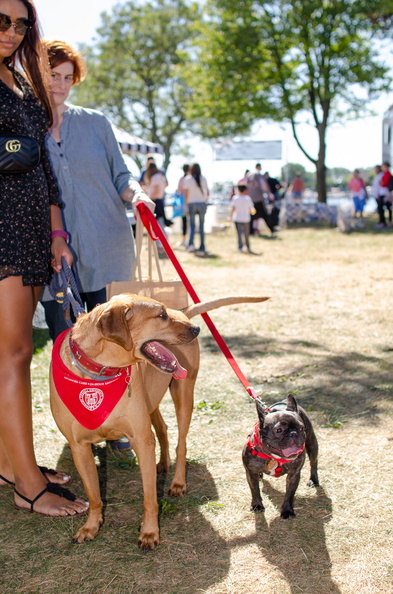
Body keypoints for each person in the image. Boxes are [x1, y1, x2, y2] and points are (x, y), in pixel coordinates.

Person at [0, 0, 89, 516]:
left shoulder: (25, 85)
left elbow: (47, 172)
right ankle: (28, 483)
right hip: (2, 232)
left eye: (21, 23)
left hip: (33, 231)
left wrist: (58, 233)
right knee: (12, 354)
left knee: (11, 355)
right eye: (1, 20)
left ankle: (10, 462)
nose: (12, 31)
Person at [41, 40, 154, 340]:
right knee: (68, 344)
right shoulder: (27, 127)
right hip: (56, 258)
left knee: (116, 342)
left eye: (67, 77)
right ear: (38, 72)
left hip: (109, 248)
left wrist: (138, 195)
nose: (61, 84)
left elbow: (121, 174)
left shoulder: (96, 122)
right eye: (54, 74)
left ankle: (119, 391)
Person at [143, 160, 170, 254]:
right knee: (157, 225)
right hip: (158, 202)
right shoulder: (159, 176)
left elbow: (157, 191)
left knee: (159, 225)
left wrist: (148, 198)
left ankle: (162, 245)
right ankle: (160, 245)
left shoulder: (156, 177)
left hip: (156, 202)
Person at [183, 163, 209, 254]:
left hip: (191, 204)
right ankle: (202, 246)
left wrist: (185, 206)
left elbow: (186, 194)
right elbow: (207, 192)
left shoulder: (188, 179)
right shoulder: (203, 178)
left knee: (192, 226)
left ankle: (191, 245)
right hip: (202, 203)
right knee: (201, 226)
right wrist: (205, 200)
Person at [247, 163, 275, 235]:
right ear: (259, 167)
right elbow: (263, 185)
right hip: (258, 199)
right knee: (264, 215)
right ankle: (272, 229)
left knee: (252, 216)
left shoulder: (249, 175)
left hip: (251, 199)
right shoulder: (258, 175)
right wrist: (269, 193)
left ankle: (251, 231)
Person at [229, 185, 256, 252]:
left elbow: (233, 209)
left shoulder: (235, 198)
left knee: (239, 234)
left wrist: (230, 217)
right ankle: (248, 246)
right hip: (246, 219)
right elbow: (251, 209)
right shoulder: (247, 198)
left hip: (237, 218)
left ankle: (240, 247)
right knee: (246, 234)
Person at [176, 164, 190, 247]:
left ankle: (184, 239)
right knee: (190, 222)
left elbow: (179, 191)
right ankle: (189, 240)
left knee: (184, 222)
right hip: (190, 202)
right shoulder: (191, 178)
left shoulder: (182, 179)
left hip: (184, 203)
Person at [376, 161, 392, 229]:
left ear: (386, 166)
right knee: (385, 208)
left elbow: (383, 183)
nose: (381, 167)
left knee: (382, 208)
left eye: (383, 166)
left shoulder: (387, 174)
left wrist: (380, 182)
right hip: (383, 193)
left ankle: (384, 222)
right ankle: (385, 222)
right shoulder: (385, 174)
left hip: (385, 194)